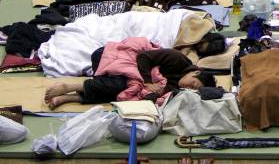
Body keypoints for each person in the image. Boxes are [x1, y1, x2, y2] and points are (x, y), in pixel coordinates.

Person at [44, 48, 216, 109]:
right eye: (193, 83)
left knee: (124, 98)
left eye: (192, 89)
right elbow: (143, 57)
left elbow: (157, 95)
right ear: (195, 73)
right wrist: (148, 81)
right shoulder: (177, 59)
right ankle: (71, 85)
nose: (188, 87)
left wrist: (146, 102)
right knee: (120, 85)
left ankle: (71, 97)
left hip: (125, 73)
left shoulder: (177, 88)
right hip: (110, 56)